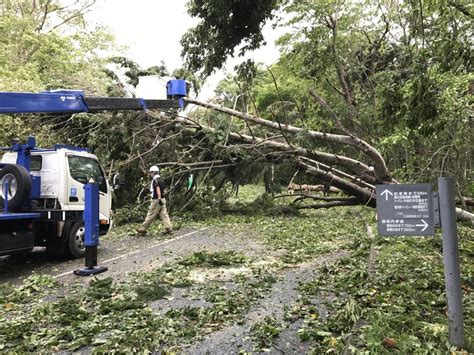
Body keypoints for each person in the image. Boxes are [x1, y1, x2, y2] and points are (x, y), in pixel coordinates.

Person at [136, 166, 173, 235]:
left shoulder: (155, 180)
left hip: (157, 199)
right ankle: (169, 228)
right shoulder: (161, 179)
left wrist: (158, 198)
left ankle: (143, 228)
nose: (150, 174)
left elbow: (157, 188)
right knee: (164, 214)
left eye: (151, 173)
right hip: (163, 199)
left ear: (153, 172)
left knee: (151, 214)